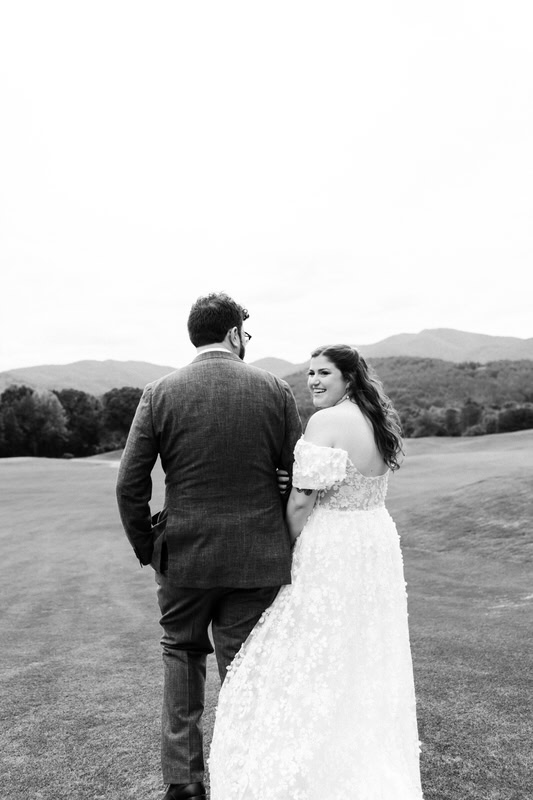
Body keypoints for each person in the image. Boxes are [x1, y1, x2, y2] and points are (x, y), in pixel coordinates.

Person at [209, 344, 424, 799]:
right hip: (374, 542)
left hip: (332, 547)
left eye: (324, 373)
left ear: (349, 377)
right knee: (362, 651)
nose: (313, 382)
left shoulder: (326, 422)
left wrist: (280, 544)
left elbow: (304, 499)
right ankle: (360, 755)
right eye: (309, 374)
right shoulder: (376, 420)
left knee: (308, 644)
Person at [116, 292, 302, 800]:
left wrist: (147, 546)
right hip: (257, 556)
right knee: (243, 666)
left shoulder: (159, 392)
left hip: (183, 557)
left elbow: (130, 483)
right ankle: (248, 774)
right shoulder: (274, 390)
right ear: (235, 334)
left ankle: (185, 783)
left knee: (181, 654)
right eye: (247, 332)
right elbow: (298, 474)